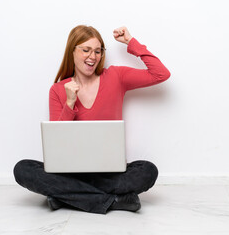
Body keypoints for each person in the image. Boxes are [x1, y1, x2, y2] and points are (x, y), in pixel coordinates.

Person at [13, 25, 170, 214]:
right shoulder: (58, 90)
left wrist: (131, 42)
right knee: (22, 169)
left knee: (148, 170)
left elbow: (161, 74)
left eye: (97, 51)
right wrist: (69, 104)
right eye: (86, 50)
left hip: (109, 172)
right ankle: (113, 201)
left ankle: (66, 197)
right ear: (72, 51)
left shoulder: (116, 76)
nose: (92, 56)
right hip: (69, 171)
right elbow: (58, 143)